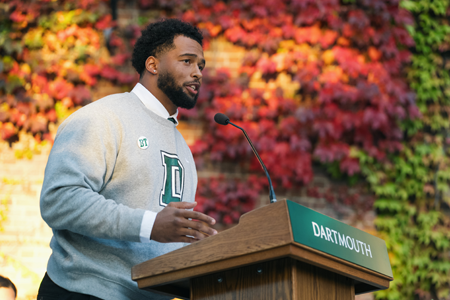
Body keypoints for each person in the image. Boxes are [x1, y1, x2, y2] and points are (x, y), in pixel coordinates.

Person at [37, 18, 217, 300]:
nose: (197, 73)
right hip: (84, 291)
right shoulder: (103, 118)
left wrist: (207, 252)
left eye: (201, 65)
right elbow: (59, 200)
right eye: (187, 61)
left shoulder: (182, 148)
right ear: (153, 65)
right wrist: (150, 225)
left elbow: (168, 239)